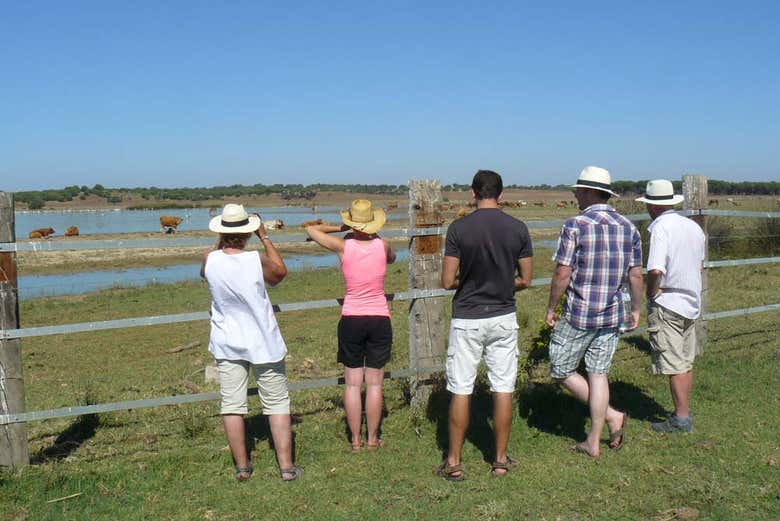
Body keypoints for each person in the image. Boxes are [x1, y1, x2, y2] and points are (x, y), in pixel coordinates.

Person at [434, 170, 533, 481]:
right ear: (500, 194)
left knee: (461, 388)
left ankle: (454, 461)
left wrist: (471, 282)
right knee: (503, 387)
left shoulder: (458, 229)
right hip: (503, 314)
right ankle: (500, 459)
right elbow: (526, 279)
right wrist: (504, 283)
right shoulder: (518, 228)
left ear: (473, 192)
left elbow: (448, 280)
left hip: (468, 317)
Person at [545, 166, 643, 458]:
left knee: (560, 368)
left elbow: (563, 271)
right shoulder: (628, 227)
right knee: (598, 373)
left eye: (578, 190)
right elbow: (635, 274)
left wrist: (551, 307)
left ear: (589, 192)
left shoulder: (575, 225)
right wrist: (636, 309)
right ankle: (598, 435)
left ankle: (609, 420)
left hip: (580, 312)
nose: (575, 195)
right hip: (612, 312)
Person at [200, 204, 303, 481]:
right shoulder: (256, 260)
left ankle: (242, 467)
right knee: (277, 402)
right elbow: (280, 273)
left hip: (227, 339)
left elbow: (205, 272)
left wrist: (220, 242)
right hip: (262, 340)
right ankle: (286, 467)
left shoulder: (209, 259)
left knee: (232, 404)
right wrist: (265, 238)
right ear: (248, 232)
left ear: (221, 231)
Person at [305, 200, 396, 452]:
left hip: (351, 317)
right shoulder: (383, 245)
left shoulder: (343, 246)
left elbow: (311, 231)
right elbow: (392, 257)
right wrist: (371, 233)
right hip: (379, 316)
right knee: (375, 383)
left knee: (353, 384)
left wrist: (339, 227)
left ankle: (355, 440)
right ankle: (373, 439)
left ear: (352, 223)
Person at [636, 180, 705, 433]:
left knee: (674, 362)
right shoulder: (693, 227)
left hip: (669, 302)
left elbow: (655, 268)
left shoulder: (660, 228)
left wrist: (652, 291)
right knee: (685, 361)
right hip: (691, 302)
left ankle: (681, 418)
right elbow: (699, 265)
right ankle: (683, 412)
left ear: (652, 206)